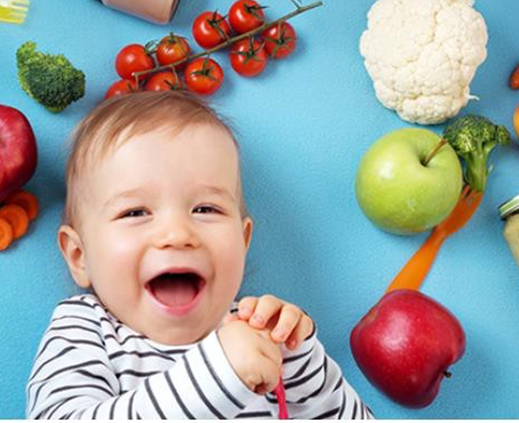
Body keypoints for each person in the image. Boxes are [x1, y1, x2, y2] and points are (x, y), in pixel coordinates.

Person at [27, 91, 373, 419]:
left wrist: (304, 369)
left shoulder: (259, 331)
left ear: (243, 240)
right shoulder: (86, 329)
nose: (177, 234)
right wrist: (220, 375)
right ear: (79, 256)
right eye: (135, 212)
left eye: (206, 209)